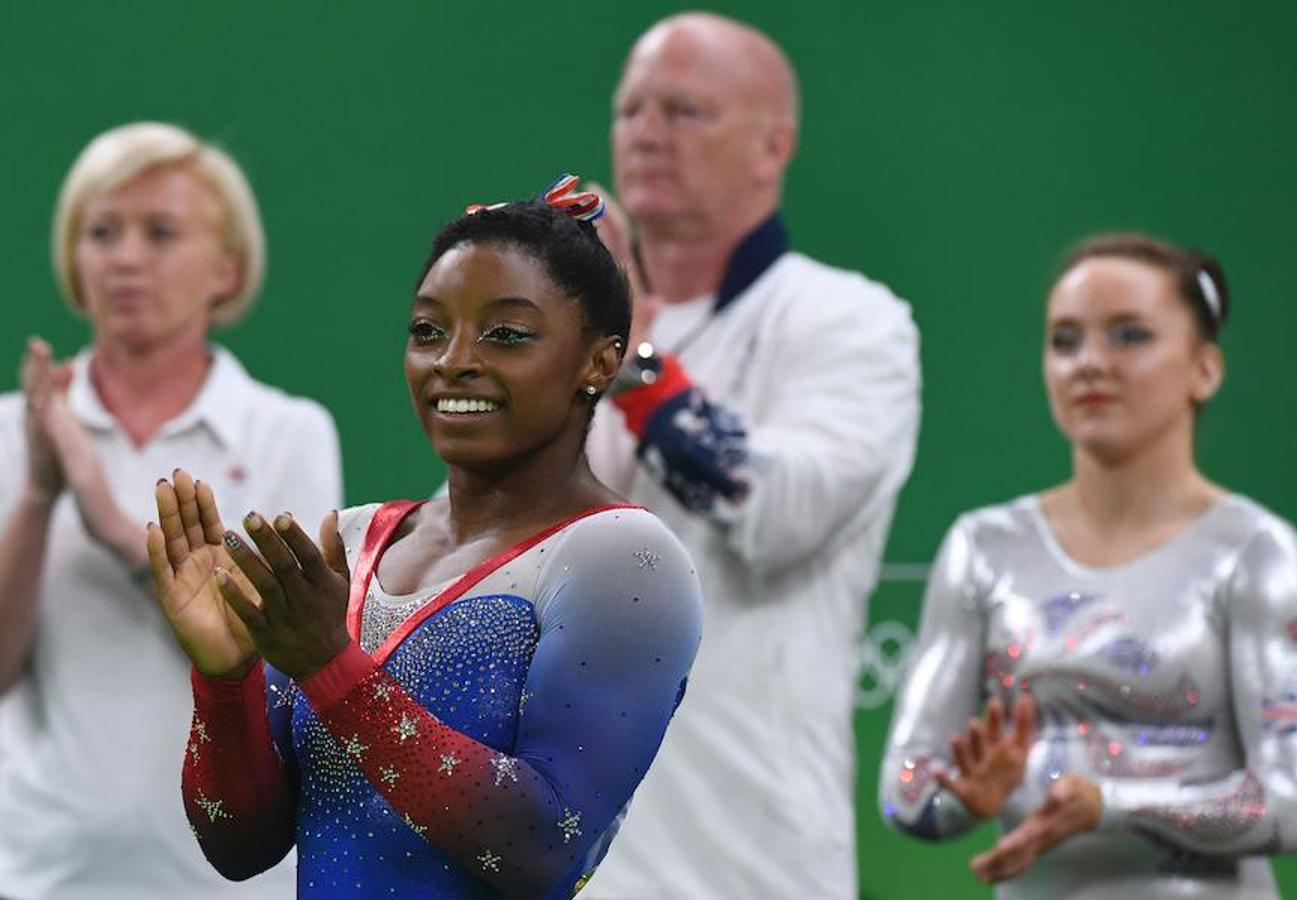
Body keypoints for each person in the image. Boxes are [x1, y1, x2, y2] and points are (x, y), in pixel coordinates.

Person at [146, 181, 703, 898]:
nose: (454, 360)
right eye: (428, 330)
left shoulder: (624, 560)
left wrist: (330, 666)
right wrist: (225, 683)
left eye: (505, 334)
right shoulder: (349, 542)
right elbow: (241, 845)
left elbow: (539, 851)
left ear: (598, 362)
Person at [577, 12, 922, 899]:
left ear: (773, 146)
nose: (647, 133)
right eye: (631, 111)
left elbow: (777, 510)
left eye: (684, 111)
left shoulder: (851, 320)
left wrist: (637, 366)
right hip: (564, 859)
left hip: (750, 866)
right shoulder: (571, 340)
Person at [880, 233, 1297, 898]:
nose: (1089, 363)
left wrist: (1108, 805)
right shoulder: (982, 549)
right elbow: (905, 791)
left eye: (1129, 336)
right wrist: (963, 800)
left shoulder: (1259, 556)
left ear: (1204, 369)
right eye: (1065, 340)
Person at [0, 122, 341, 899]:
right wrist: (38, 494)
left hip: (228, 879)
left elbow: (291, 662)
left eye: (161, 233)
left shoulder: (288, 431)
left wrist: (112, 526)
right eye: (102, 231)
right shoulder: (12, 431)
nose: (125, 258)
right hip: (39, 875)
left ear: (225, 270)